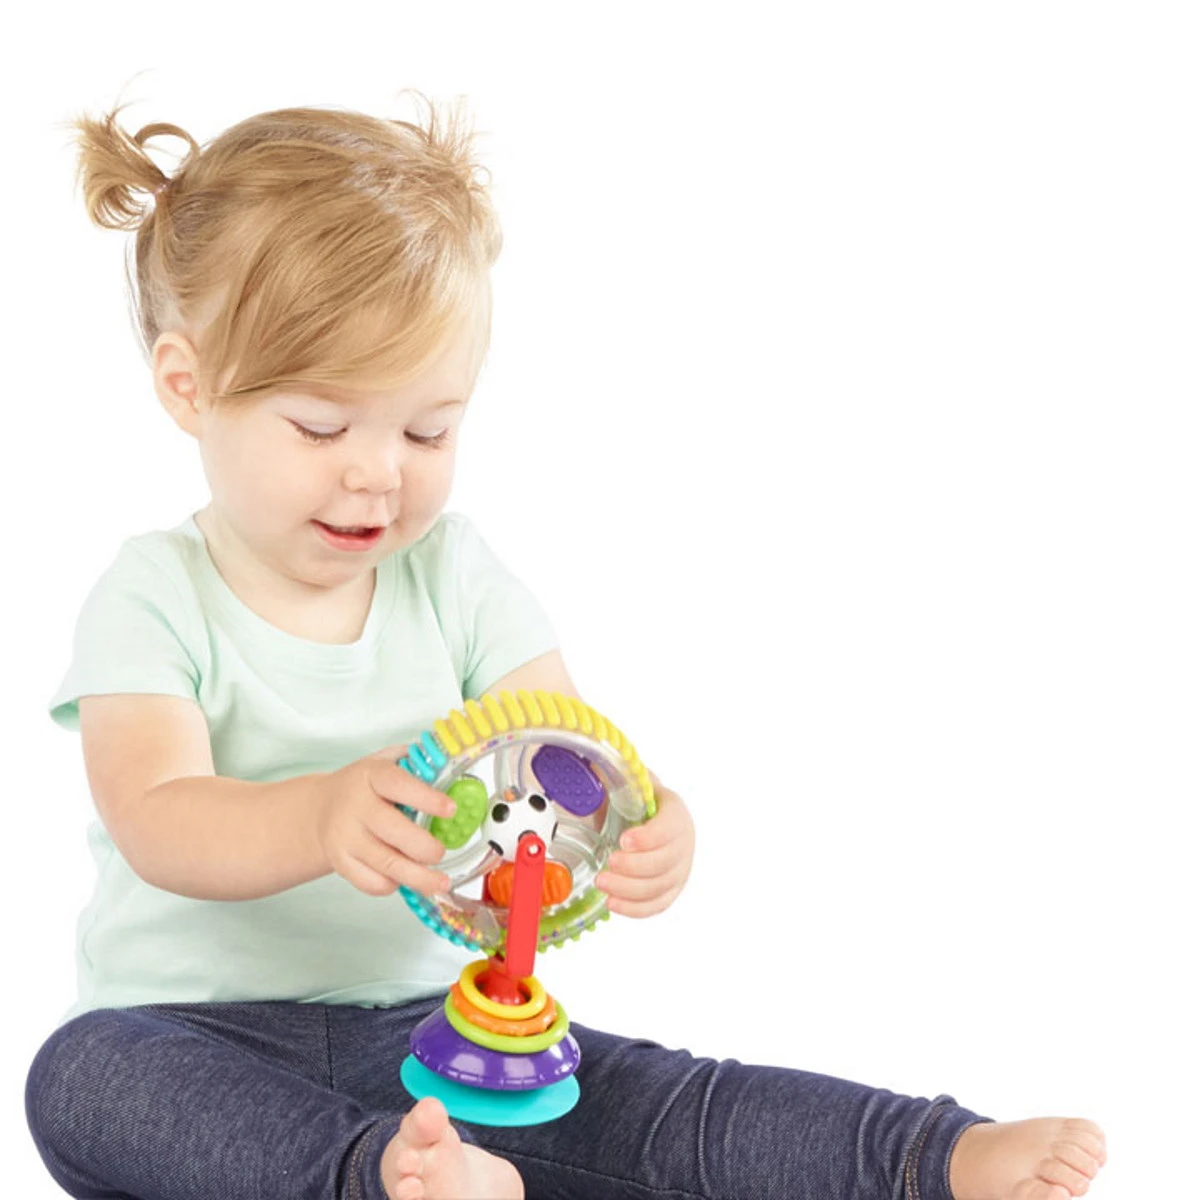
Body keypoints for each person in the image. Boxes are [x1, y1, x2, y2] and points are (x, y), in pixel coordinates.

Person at [24, 91, 1107, 1200]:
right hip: (192, 1037)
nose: (378, 471)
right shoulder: (153, 593)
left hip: (440, 1030)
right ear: (189, 386)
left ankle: (927, 1156)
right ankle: (380, 1180)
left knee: (648, 1096)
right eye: (322, 425)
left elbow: (571, 758)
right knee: (80, 1075)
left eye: (428, 429)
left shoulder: (455, 577)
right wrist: (318, 817)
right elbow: (156, 818)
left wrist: (648, 823)